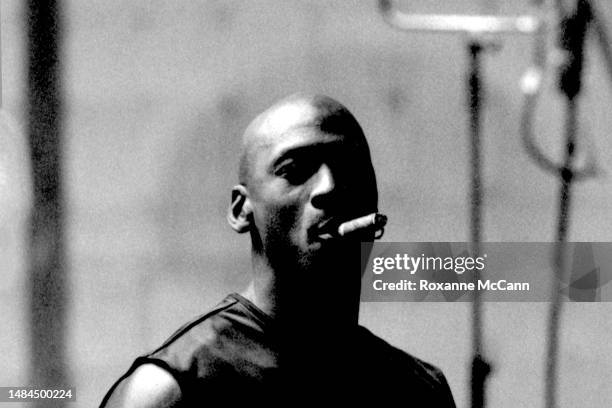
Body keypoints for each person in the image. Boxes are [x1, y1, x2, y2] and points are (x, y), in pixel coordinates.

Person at [99, 94, 456, 407]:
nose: (329, 187)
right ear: (241, 210)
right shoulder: (171, 393)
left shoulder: (420, 392)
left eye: (349, 168)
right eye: (295, 170)